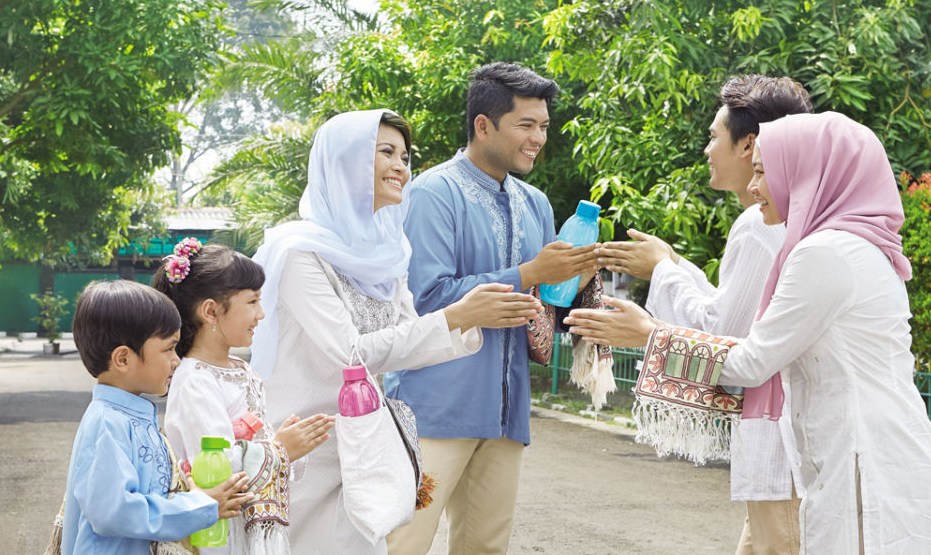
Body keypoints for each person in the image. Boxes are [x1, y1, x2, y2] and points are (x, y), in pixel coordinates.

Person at [566, 112, 931, 555]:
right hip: (870, 455)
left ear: (807, 173)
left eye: (763, 172)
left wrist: (652, 335)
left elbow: (752, 361)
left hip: (863, 463)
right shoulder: (852, 246)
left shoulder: (824, 254)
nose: (753, 188)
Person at [250, 109, 541, 555]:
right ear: (345, 162)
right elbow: (350, 354)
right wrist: (458, 315)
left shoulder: (387, 253)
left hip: (363, 439)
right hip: (303, 438)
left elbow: (406, 340)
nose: (401, 167)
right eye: (385, 152)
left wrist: (464, 319)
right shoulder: (300, 252)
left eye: (405, 156)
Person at [385, 62, 603, 555]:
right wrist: (527, 274)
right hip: (434, 407)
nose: (538, 138)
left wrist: (579, 277)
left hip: (507, 412)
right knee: (404, 543)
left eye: (543, 126)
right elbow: (424, 300)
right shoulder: (432, 194)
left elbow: (546, 302)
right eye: (526, 125)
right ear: (483, 125)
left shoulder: (536, 204)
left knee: (486, 547)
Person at [600, 75, 812, 555]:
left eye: (715, 136)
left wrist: (662, 278)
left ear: (749, 145)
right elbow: (729, 308)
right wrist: (670, 265)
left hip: (781, 446)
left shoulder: (759, 224)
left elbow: (721, 334)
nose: (706, 149)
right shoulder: (790, 216)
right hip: (788, 442)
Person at [155, 241, 336, 555]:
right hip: (220, 535)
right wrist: (279, 451)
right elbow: (215, 467)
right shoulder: (195, 380)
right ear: (211, 311)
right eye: (252, 301)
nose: (261, 314)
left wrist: (282, 444)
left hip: (245, 524)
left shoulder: (241, 368)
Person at [61, 279, 252, 555]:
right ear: (123, 359)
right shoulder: (107, 423)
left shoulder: (131, 416)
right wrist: (199, 505)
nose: (176, 360)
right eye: (167, 349)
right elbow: (115, 511)